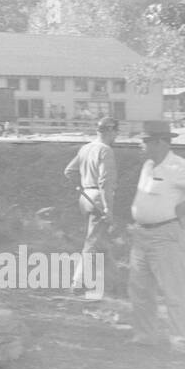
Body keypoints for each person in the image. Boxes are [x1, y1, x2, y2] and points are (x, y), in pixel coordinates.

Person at [128, 120, 185, 354]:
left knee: (173, 292)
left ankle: (180, 343)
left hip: (167, 235)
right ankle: (145, 336)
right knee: (140, 290)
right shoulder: (148, 165)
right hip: (141, 235)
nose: (140, 144)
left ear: (159, 142)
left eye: (144, 141)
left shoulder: (179, 166)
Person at [63, 116, 120, 295]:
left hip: (86, 197)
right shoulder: (106, 151)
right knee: (93, 241)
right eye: (115, 132)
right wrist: (108, 209)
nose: (116, 136)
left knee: (100, 240)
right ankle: (77, 282)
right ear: (110, 131)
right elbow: (105, 182)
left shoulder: (85, 148)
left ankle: (113, 281)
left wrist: (80, 186)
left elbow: (69, 171)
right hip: (98, 199)